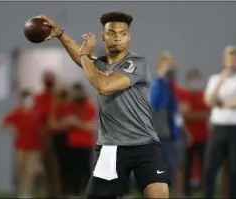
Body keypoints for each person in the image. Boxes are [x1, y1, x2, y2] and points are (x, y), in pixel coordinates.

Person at [36, 11, 169, 199]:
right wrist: (60, 34)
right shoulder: (100, 65)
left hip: (144, 144)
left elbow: (104, 86)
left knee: (159, 193)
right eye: (112, 33)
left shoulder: (136, 63)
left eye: (123, 33)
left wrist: (84, 55)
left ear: (129, 36)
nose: (118, 38)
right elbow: (81, 58)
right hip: (110, 147)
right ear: (103, 36)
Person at [203, 45, 236, 198]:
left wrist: (222, 103)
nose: (231, 62)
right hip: (218, 127)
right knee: (210, 167)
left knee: (234, 169)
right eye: (228, 59)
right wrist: (221, 80)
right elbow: (209, 100)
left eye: (234, 59)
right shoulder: (215, 79)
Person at [150, 51, 185, 197]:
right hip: (159, 132)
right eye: (167, 64)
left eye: (172, 64)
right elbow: (154, 104)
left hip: (171, 133)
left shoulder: (171, 85)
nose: (170, 67)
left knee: (173, 166)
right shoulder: (157, 83)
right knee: (160, 167)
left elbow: (175, 110)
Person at [0, 90, 42, 199]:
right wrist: (12, 128)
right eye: (26, 99)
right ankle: (22, 192)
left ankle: (27, 193)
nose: (28, 101)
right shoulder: (17, 112)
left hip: (34, 147)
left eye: (30, 99)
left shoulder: (37, 112)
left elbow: (43, 126)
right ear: (22, 100)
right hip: (20, 147)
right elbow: (2, 123)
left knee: (30, 171)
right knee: (22, 170)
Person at [179, 68, 209, 197]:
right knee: (188, 164)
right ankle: (186, 192)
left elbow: (208, 113)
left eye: (197, 78)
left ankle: (204, 191)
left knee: (204, 165)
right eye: (192, 78)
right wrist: (199, 115)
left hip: (203, 136)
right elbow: (185, 114)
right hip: (189, 136)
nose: (195, 81)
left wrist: (194, 114)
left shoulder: (204, 95)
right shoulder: (185, 95)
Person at [63, 83, 97, 197]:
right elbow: (65, 122)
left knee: (86, 170)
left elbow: (91, 126)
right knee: (73, 170)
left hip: (85, 143)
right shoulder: (69, 105)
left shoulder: (89, 105)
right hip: (72, 143)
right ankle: (74, 193)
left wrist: (76, 122)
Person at [33, 71, 62, 197]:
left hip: (59, 135)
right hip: (46, 134)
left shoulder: (59, 96)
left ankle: (59, 192)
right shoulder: (40, 97)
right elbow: (39, 113)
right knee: (48, 165)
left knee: (59, 165)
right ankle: (51, 192)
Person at [47, 85, 72, 196]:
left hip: (70, 138)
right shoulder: (55, 106)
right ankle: (61, 191)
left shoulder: (70, 106)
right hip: (59, 138)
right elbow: (52, 124)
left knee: (70, 166)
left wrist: (63, 124)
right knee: (59, 167)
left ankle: (69, 190)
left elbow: (72, 122)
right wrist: (63, 125)